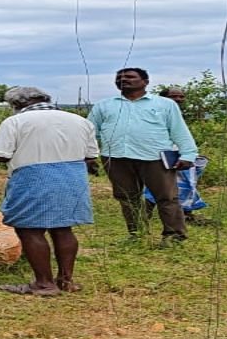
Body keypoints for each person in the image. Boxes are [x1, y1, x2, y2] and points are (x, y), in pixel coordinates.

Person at [0, 86, 99, 296]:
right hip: (72, 175)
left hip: (33, 176)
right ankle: (66, 280)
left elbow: (0, 155)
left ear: (17, 104)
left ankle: (44, 284)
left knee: (30, 229)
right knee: (64, 228)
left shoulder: (15, 121)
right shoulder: (79, 120)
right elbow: (90, 155)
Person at [87, 68, 198, 245]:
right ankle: (137, 234)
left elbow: (179, 130)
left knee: (166, 197)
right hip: (116, 158)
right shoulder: (104, 105)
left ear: (145, 82)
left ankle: (174, 236)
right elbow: (90, 132)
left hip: (155, 158)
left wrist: (188, 154)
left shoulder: (164, 104)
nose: (124, 79)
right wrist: (89, 155)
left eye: (130, 77)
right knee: (127, 197)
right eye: (120, 77)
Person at [144, 86, 210, 225]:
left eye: (181, 96)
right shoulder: (155, 113)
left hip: (179, 155)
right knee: (157, 186)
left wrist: (190, 154)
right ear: (163, 98)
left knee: (186, 184)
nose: (178, 99)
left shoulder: (177, 113)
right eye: (174, 96)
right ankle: (144, 216)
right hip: (160, 155)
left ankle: (186, 214)